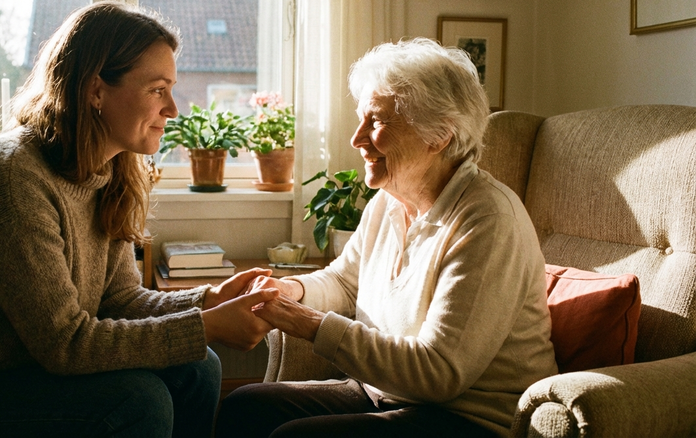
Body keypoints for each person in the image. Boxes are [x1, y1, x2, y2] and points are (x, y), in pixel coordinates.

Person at [0, 0, 279, 438]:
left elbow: (120, 301)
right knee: (139, 400)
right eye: (157, 90)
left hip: (23, 371)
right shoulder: (11, 179)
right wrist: (206, 325)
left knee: (198, 366)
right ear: (96, 91)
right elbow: (66, 345)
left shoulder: (111, 171)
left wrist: (209, 300)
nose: (173, 110)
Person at [215, 38, 558, 438]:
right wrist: (290, 290)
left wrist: (307, 323)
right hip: (387, 397)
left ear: (438, 136)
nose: (356, 139)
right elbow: (344, 281)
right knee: (244, 409)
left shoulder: (488, 219)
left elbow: (438, 373)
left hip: (468, 418)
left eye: (375, 122)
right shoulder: (389, 200)